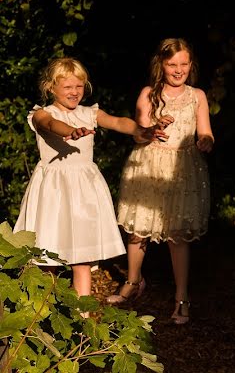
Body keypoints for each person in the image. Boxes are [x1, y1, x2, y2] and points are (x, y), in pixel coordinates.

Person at [14, 58, 169, 305]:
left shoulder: (90, 113)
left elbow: (118, 121)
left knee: (81, 258)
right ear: (51, 87)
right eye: (67, 87)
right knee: (46, 258)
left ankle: (82, 320)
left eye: (79, 86)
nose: (74, 92)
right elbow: (50, 124)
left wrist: (142, 130)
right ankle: (41, 315)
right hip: (53, 192)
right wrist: (70, 131)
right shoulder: (43, 113)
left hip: (83, 193)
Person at [107, 38, 214, 325]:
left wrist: (205, 141)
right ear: (161, 65)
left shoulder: (197, 96)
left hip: (182, 167)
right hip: (149, 165)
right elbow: (138, 133)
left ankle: (181, 296)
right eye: (172, 64)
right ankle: (132, 281)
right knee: (139, 229)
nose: (178, 70)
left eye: (183, 64)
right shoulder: (149, 93)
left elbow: (205, 131)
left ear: (191, 65)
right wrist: (154, 128)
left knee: (177, 235)